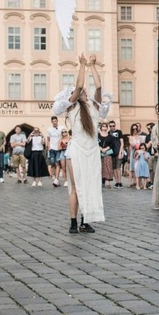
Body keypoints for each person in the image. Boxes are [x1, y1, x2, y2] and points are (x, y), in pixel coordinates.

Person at [54, 55, 112, 234]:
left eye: (85, 91)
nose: (84, 91)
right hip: (77, 150)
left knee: (90, 186)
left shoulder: (95, 106)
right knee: (76, 187)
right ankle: (73, 222)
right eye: (82, 92)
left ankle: (84, 221)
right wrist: (82, 65)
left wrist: (93, 66)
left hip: (92, 150)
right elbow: (79, 85)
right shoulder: (71, 107)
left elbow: (99, 85)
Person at [46, 116, 64, 186]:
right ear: (51, 122)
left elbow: (64, 136)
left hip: (58, 148)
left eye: (55, 121)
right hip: (52, 148)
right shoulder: (49, 129)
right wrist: (48, 146)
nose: (54, 122)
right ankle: (55, 177)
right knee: (52, 163)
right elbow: (48, 139)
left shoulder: (61, 128)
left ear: (57, 121)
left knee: (57, 163)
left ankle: (56, 179)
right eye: (53, 121)